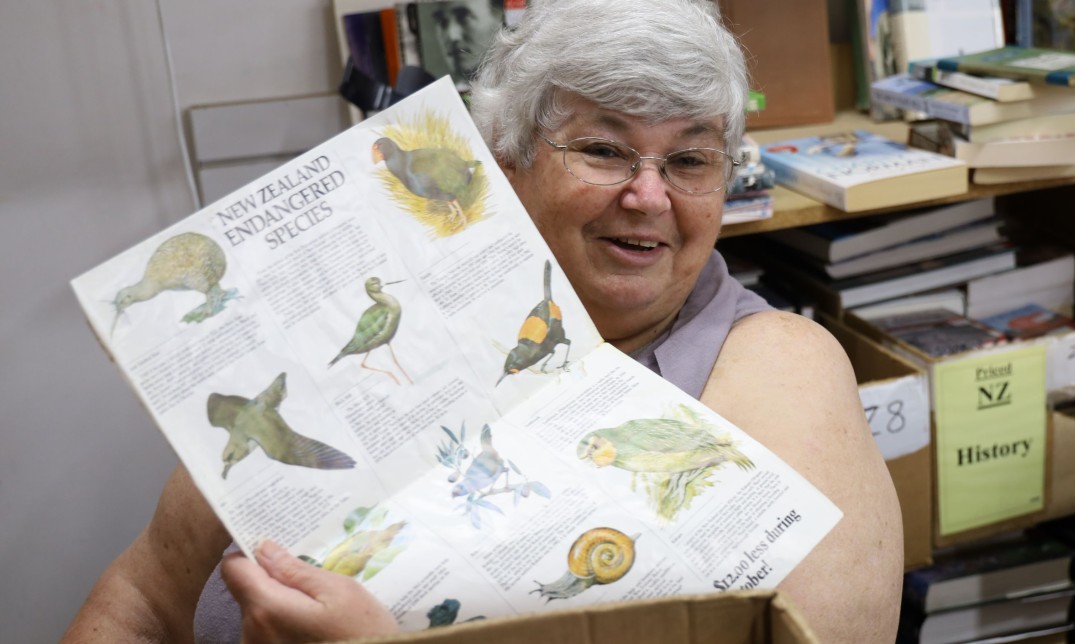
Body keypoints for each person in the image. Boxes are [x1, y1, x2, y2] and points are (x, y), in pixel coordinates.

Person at [62, 1, 903, 642]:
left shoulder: (774, 365)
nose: (650, 196)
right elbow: (139, 602)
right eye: (604, 149)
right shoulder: (329, 321)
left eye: (690, 160)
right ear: (505, 160)